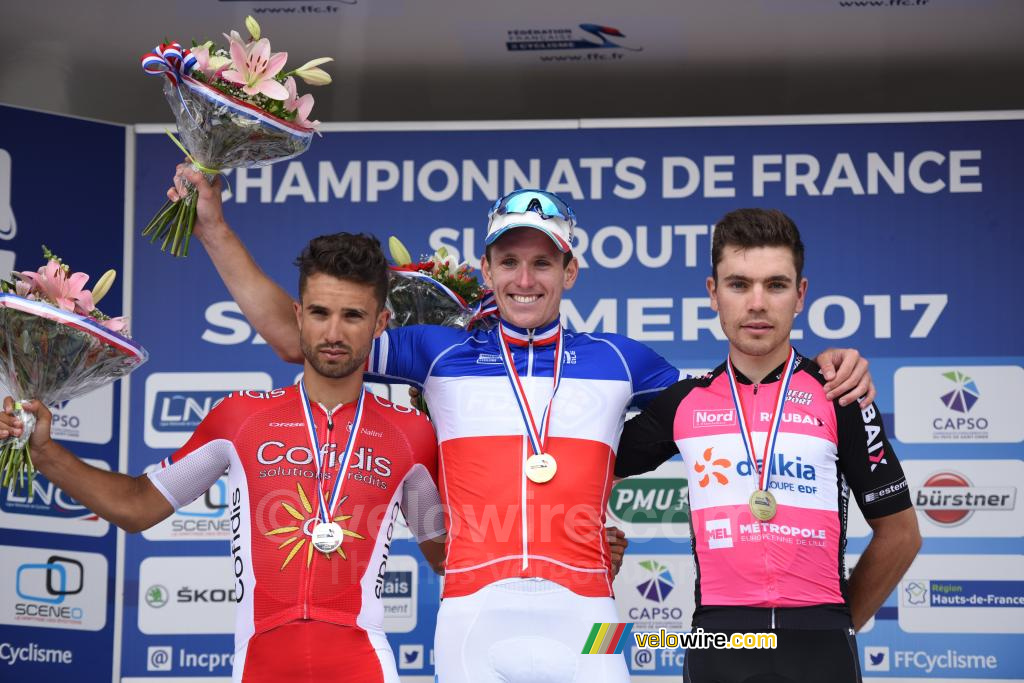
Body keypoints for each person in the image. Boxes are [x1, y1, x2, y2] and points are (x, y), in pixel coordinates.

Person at [171, 166, 876, 683]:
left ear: (571, 270)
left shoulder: (620, 361)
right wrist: (214, 228)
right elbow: (299, 340)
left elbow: (741, 387)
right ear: (486, 269)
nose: (526, 278)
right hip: (473, 610)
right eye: (509, 261)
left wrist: (829, 370)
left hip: (590, 614)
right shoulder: (438, 352)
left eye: (543, 261)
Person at [0, 233, 448, 683]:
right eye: (319, 313)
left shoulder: (410, 433)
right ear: (298, 314)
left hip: (365, 665)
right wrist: (46, 452)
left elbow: (447, 557)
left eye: (353, 315)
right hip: (258, 665)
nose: (333, 333)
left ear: (380, 323)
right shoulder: (240, 418)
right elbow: (138, 507)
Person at [615, 208, 921, 683]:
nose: (757, 303)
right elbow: (583, 463)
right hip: (717, 642)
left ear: (800, 296)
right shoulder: (684, 402)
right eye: (738, 285)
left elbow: (901, 534)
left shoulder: (841, 393)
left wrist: (837, 625)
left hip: (820, 643)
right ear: (713, 294)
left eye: (775, 285)